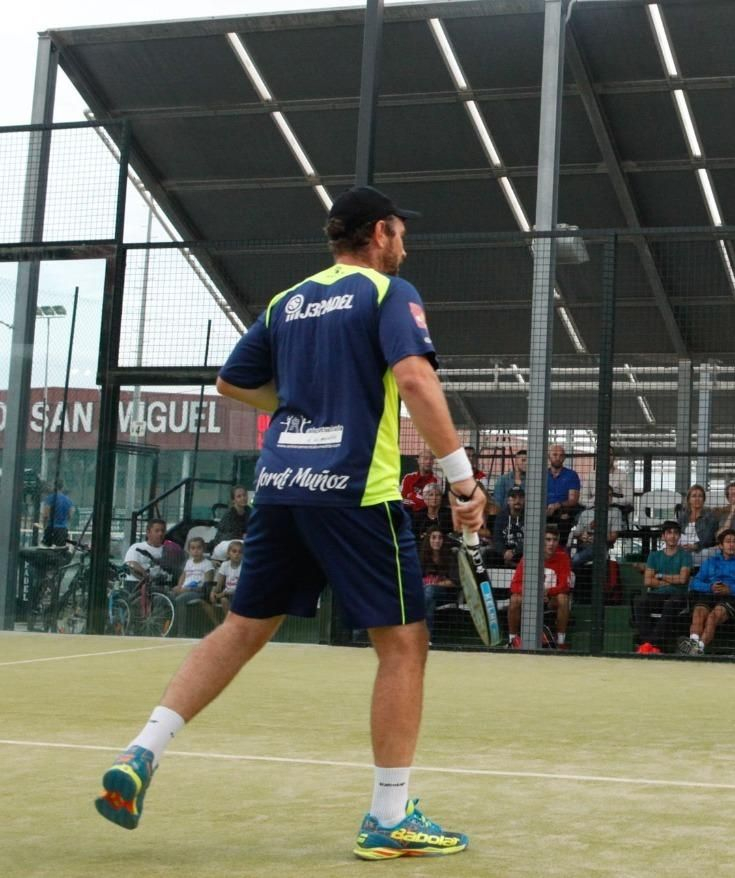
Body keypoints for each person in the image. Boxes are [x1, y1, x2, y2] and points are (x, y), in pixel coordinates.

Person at [96, 186, 485, 860]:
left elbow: (232, 380)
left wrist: (302, 404)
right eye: (400, 231)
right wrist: (463, 482)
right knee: (403, 645)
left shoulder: (288, 301)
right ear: (381, 233)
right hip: (355, 493)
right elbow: (418, 382)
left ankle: (142, 751)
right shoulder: (389, 295)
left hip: (279, 488)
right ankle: (389, 816)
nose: (406, 244)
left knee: (243, 628)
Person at [681, 528, 735, 655]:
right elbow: (695, 582)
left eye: (734, 542)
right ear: (721, 545)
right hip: (710, 594)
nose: (731, 544)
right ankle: (693, 643)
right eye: (728, 541)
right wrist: (710, 587)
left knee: (712, 617)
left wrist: (731, 589)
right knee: (698, 613)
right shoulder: (710, 562)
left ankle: (699, 648)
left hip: (732, 597)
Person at [508, 528, 573, 651]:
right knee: (514, 599)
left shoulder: (563, 557)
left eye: (554, 540)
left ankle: (560, 642)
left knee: (564, 599)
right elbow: (515, 585)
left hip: (551, 599)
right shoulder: (529, 557)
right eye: (548, 539)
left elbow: (565, 585)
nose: (551, 543)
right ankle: (512, 640)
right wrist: (533, 594)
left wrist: (548, 592)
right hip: (529, 598)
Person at [635, 520, 693, 654]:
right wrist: (672, 579)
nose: (672, 536)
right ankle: (650, 646)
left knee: (670, 604)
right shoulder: (654, 556)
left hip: (678, 595)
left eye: (676, 533)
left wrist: (660, 576)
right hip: (657, 595)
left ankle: (650, 645)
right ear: (663, 536)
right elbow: (648, 581)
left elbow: (683, 579)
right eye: (669, 533)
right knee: (640, 603)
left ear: (679, 536)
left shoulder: (685, 555)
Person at [418, 528, 457, 638]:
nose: (437, 540)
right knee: (430, 600)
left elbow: (454, 582)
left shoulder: (450, 556)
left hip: (445, 594)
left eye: (440, 538)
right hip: (425, 594)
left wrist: (434, 584)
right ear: (428, 540)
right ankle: (427, 637)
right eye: (433, 537)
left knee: (429, 591)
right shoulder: (421, 556)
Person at [175, 537, 219, 627]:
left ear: (204, 549)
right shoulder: (189, 562)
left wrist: (188, 589)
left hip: (197, 592)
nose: (196, 551)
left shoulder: (207, 564)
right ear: (189, 550)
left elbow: (206, 586)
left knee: (180, 600)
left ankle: (180, 632)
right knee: (163, 597)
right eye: (193, 548)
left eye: (199, 548)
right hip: (184, 590)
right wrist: (179, 586)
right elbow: (183, 576)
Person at [543, 444, 582, 541]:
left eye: (561, 455)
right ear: (549, 457)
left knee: (564, 519)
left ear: (564, 458)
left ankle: (561, 549)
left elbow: (573, 500)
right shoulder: (542, 475)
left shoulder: (571, 475)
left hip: (563, 510)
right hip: (543, 510)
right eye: (555, 455)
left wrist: (558, 505)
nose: (558, 458)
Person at [676, 484, 719, 560]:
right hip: (683, 549)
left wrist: (695, 546)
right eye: (694, 496)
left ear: (704, 499)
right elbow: (677, 533)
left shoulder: (710, 516)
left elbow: (708, 539)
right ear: (689, 499)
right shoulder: (683, 517)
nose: (697, 499)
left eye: (700, 496)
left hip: (702, 550)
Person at [495, 488, 526, 567]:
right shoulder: (501, 516)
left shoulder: (529, 515)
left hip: (522, 552)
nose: (517, 500)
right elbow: (497, 539)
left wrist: (514, 552)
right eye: (514, 497)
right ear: (508, 501)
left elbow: (531, 539)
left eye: (520, 497)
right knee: (488, 554)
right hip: (505, 553)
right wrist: (504, 552)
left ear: (525, 500)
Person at [211, 540, 243, 616]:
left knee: (225, 597)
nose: (237, 554)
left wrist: (223, 593)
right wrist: (213, 592)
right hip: (227, 595)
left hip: (240, 593)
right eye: (234, 551)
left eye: (240, 552)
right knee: (223, 600)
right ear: (228, 553)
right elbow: (219, 585)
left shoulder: (244, 566)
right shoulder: (225, 565)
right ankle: (230, 623)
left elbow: (242, 588)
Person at [400, 449, 437, 514]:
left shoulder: (436, 479)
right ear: (418, 460)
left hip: (424, 515)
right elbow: (402, 498)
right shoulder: (408, 477)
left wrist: (412, 495)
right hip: (406, 513)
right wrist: (418, 498)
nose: (428, 461)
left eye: (431, 459)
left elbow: (430, 503)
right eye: (425, 458)